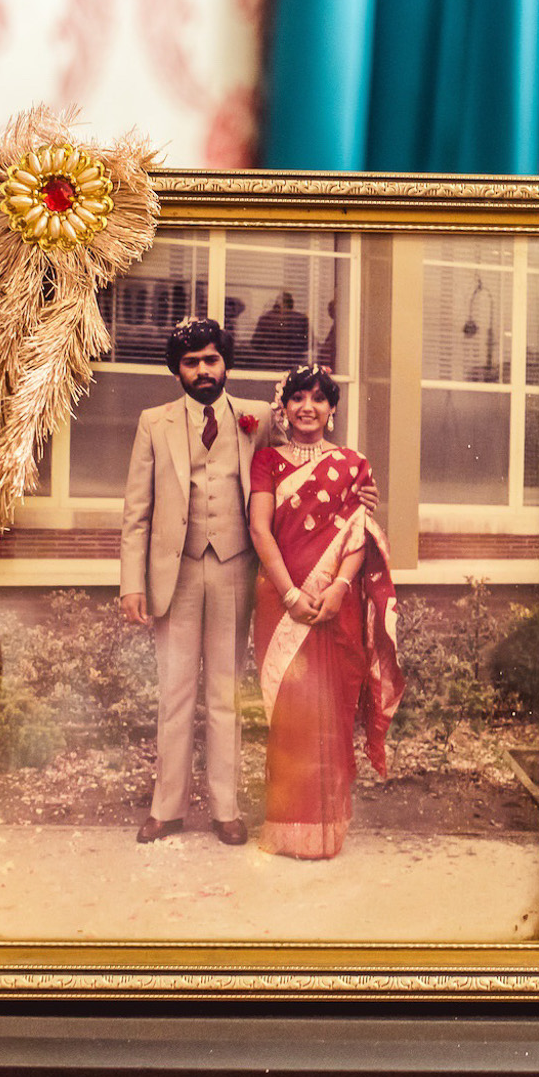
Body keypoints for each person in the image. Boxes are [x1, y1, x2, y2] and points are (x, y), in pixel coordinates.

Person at [120, 318, 274, 846]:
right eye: (191, 362)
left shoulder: (260, 417)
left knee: (227, 692)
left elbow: (301, 464)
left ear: (225, 362)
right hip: (176, 571)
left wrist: (355, 492)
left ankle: (226, 808)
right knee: (175, 692)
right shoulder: (153, 423)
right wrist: (131, 584)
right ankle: (167, 809)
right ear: (177, 371)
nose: (203, 370)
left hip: (235, 565)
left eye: (211, 359)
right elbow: (136, 512)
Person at [248, 365, 402, 859]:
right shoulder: (267, 461)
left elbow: (358, 533)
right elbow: (259, 529)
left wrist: (338, 587)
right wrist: (291, 592)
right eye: (297, 398)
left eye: (318, 398)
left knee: (330, 711)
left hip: (336, 603)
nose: (307, 407)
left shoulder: (354, 464)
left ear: (332, 409)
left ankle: (325, 831)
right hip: (282, 598)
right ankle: (287, 830)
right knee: (290, 714)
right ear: (284, 406)